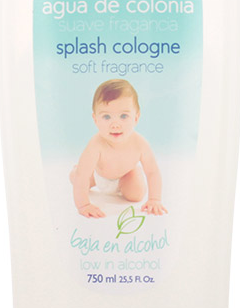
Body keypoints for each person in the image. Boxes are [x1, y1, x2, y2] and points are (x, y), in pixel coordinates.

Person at [70, 79, 168, 219]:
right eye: (106, 116)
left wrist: (154, 199)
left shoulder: (140, 143)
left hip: (125, 177)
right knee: (77, 177)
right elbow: (82, 176)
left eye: (123, 116)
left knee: (136, 195)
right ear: (95, 119)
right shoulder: (96, 144)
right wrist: (83, 205)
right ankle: (76, 169)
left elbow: (152, 172)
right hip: (98, 177)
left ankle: (133, 175)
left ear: (136, 117)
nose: (115, 124)